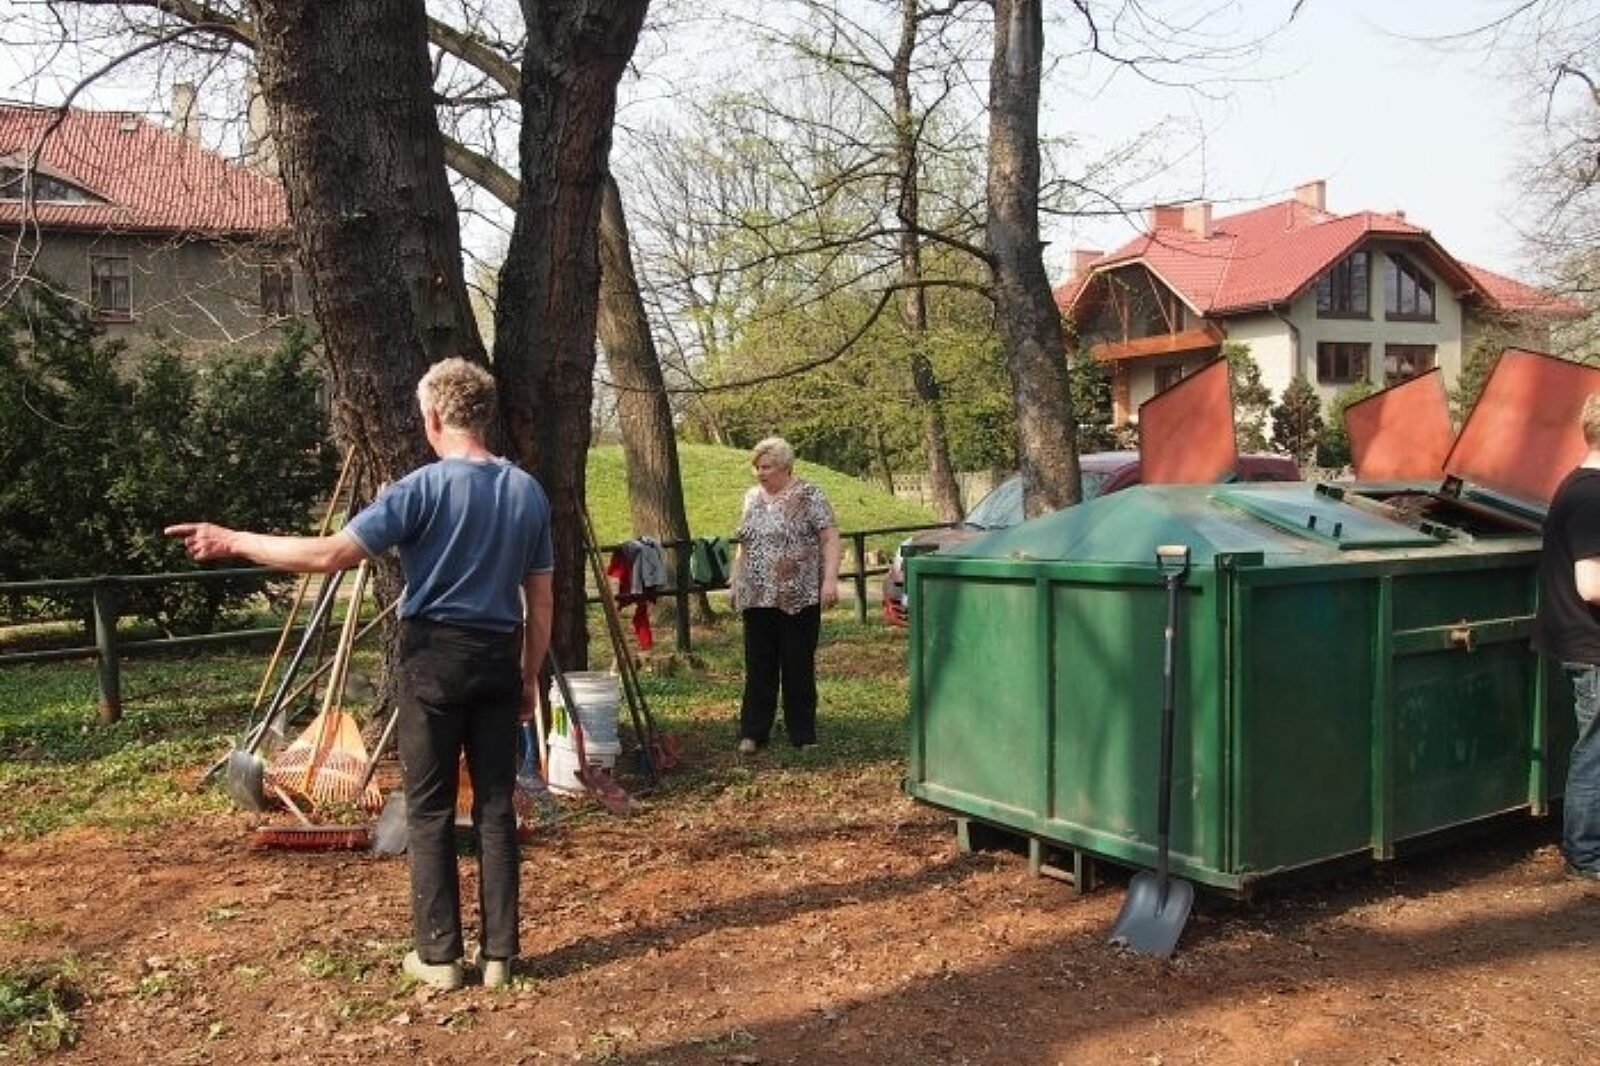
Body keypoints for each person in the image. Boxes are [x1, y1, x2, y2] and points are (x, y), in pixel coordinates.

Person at [166, 357, 554, 987]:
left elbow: (328, 555)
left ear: (433, 416)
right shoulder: (526, 491)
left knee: (429, 809)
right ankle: (500, 958)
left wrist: (233, 540)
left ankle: (439, 959)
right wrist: (529, 676)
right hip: (498, 656)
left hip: (433, 660)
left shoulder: (418, 490)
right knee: (494, 807)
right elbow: (541, 599)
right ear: (482, 416)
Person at [729, 437, 841, 754]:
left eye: (766, 467)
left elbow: (830, 538)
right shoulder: (752, 497)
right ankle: (753, 732)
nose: (760, 473)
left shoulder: (809, 495)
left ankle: (802, 734)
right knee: (758, 664)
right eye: (757, 467)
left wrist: (830, 580)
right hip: (757, 595)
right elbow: (745, 542)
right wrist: (736, 580)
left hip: (798, 595)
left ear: (785, 467)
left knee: (797, 664)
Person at [1534, 392, 1600, 882]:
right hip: (1592, 646)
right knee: (1595, 754)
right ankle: (1586, 854)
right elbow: (1592, 584)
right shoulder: (1591, 497)